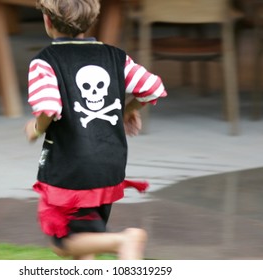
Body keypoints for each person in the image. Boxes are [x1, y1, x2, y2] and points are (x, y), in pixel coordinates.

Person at [24, 0, 167, 260]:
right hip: (109, 164)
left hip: (71, 169)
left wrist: (34, 129)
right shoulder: (115, 56)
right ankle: (123, 245)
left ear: (47, 20)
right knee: (88, 242)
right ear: (91, 20)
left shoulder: (44, 62)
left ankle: (126, 240)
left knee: (64, 242)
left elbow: (47, 108)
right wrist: (128, 109)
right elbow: (152, 88)